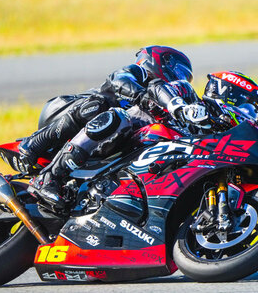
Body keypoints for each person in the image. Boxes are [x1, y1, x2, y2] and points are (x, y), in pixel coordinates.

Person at [19, 46, 211, 208]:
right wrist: (144, 98)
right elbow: (118, 80)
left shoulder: (154, 108)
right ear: (163, 62)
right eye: (180, 73)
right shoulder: (139, 73)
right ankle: (42, 159)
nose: (181, 80)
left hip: (95, 143)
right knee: (112, 113)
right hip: (67, 112)